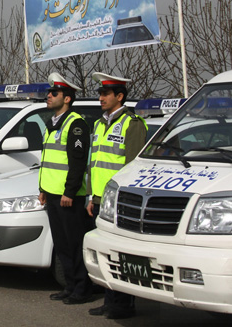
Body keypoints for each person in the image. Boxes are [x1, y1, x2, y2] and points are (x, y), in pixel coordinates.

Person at [87, 72, 147, 320]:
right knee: (106, 252)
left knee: (120, 254)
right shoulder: (99, 123)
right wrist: (91, 197)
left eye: (105, 93)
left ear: (119, 96)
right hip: (101, 199)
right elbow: (95, 162)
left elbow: (133, 166)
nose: (100, 97)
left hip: (119, 201)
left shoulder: (132, 124)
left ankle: (123, 304)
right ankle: (109, 299)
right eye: (100, 93)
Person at [38, 73, 92, 304]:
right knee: (61, 243)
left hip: (68, 197)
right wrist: (42, 188)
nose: (48, 96)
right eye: (49, 93)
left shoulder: (76, 124)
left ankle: (82, 288)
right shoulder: (52, 123)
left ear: (67, 98)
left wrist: (69, 192)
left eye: (54, 93)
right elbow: (47, 160)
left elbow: (77, 163)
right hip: (51, 193)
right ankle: (69, 285)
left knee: (74, 243)